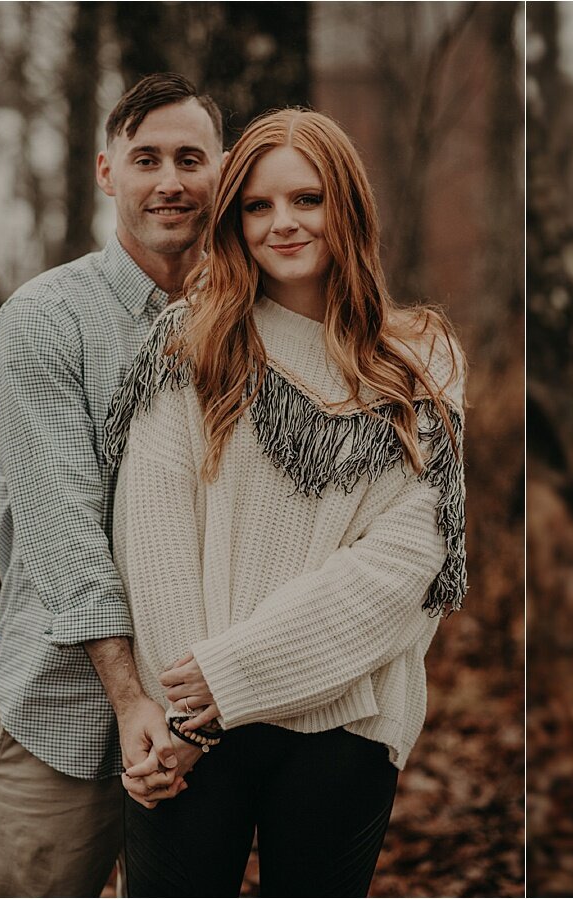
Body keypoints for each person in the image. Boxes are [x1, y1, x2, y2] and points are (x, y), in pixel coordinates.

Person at [102, 107, 466, 896]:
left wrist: (234, 677)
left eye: (307, 199)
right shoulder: (189, 343)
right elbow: (158, 544)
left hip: (346, 721)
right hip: (190, 732)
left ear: (348, 207)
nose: (283, 224)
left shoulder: (420, 362)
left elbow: (406, 563)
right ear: (234, 221)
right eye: (259, 206)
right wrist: (190, 720)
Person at [0, 73, 223, 896]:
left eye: (191, 158)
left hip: (211, 718)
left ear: (223, 170)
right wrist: (130, 699)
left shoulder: (250, 323)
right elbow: (64, 531)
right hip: (64, 710)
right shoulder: (46, 319)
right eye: (146, 158)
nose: (171, 181)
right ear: (107, 171)